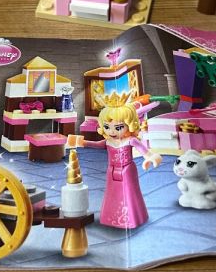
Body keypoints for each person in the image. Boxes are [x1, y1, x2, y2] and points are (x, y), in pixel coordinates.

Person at [69, 92, 161, 228]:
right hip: (111, 169)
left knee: (129, 192)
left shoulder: (131, 140)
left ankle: (132, 219)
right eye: (107, 127)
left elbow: (145, 151)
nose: (112, 132)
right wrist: (81, 142)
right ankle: (110, 218)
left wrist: (151, 158)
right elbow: (96, 144)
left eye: (118, 128)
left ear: (129, 125)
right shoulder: (108, 141)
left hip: (127, 169)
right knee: (112, 193)